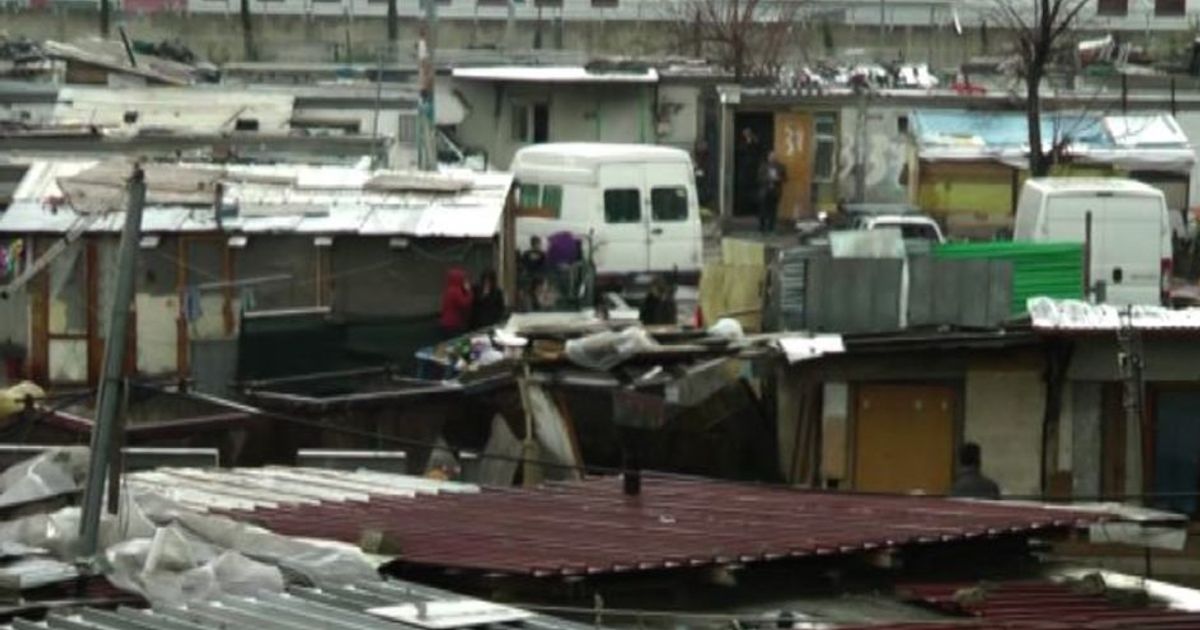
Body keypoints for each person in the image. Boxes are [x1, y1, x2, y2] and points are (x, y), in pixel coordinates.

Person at [438, 267, 472, 339]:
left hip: (446, 323)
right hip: (453, 324)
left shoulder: (449, 289)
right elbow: (464, 304)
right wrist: (469, 292)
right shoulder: (456, 291)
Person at [758, 151, 786, 234]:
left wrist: (779, 179)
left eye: (774, 157)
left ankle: (771, 227)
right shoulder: (764, 166)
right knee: (763, 209)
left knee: (773, 210)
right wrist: (768, 179)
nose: (772, 158)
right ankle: (762, 227)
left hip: (775, 191)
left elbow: (785, 178)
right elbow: (759, 178)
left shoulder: (781, 167)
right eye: (771, 157)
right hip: (765, 191)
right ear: (768, 157)